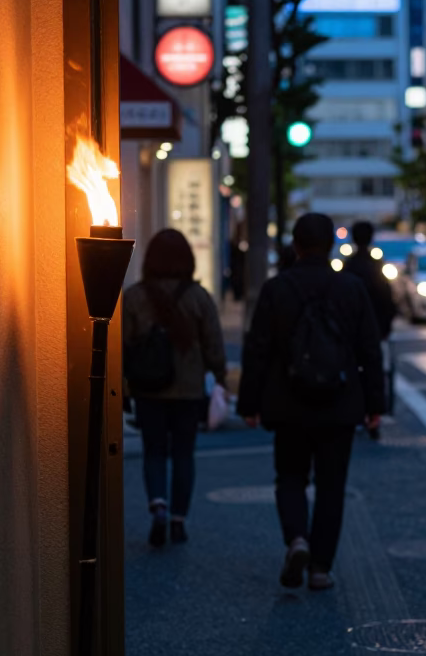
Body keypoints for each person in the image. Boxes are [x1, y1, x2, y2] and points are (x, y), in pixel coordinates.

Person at [238, 212, 384, 590]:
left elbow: (257, 349)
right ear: (331, 246)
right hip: (340, 402)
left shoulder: (277, 289)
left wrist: (249, 403)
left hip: (288, 401)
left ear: (297, 245)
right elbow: (370, 350)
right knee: (332, 486)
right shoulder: (351, 288)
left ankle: (297, 539)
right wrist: (375, 405)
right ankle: (320, 567)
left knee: (290, 476)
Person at [123, 228, 227, 547]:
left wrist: (123, 387)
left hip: (148, 388)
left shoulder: (135, 296)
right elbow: (213, 344)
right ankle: (179, 519)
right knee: (184, 454)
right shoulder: (198, 297)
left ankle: (158, 505)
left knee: (153, 450)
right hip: (188, 388)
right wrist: (220, 376)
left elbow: (122, 346)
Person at [343, 220, 396, 435]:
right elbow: (387, 299)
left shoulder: (348, 266)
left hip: (351, 330)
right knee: (375, 371)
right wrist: (385, 327)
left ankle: (357, 412)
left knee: (353, 372)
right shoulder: (377, 266)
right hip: (374, 328)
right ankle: (374, 415)